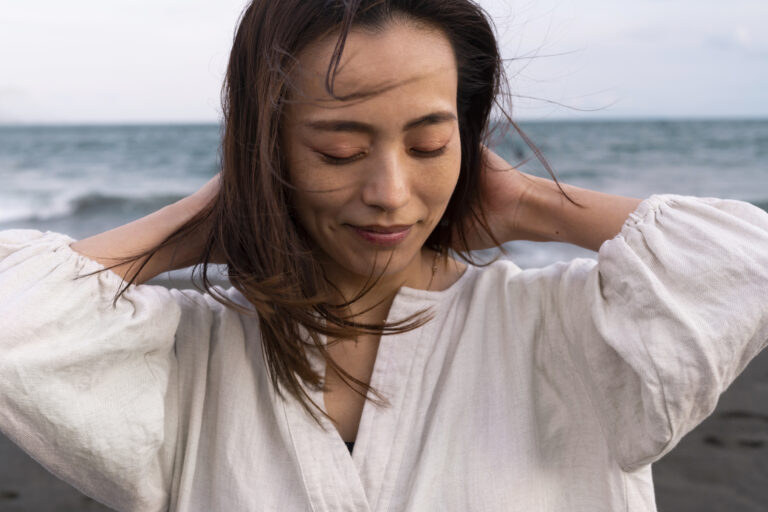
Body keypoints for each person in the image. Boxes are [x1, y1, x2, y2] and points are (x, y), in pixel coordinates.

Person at [1, 1, 766, 511]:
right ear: (266, 151)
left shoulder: (566, 331)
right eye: (339, 150)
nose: (392, 192)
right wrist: (210, 217)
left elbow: (745, 262)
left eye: (430, 144)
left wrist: (533, 206)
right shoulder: (188, 355)